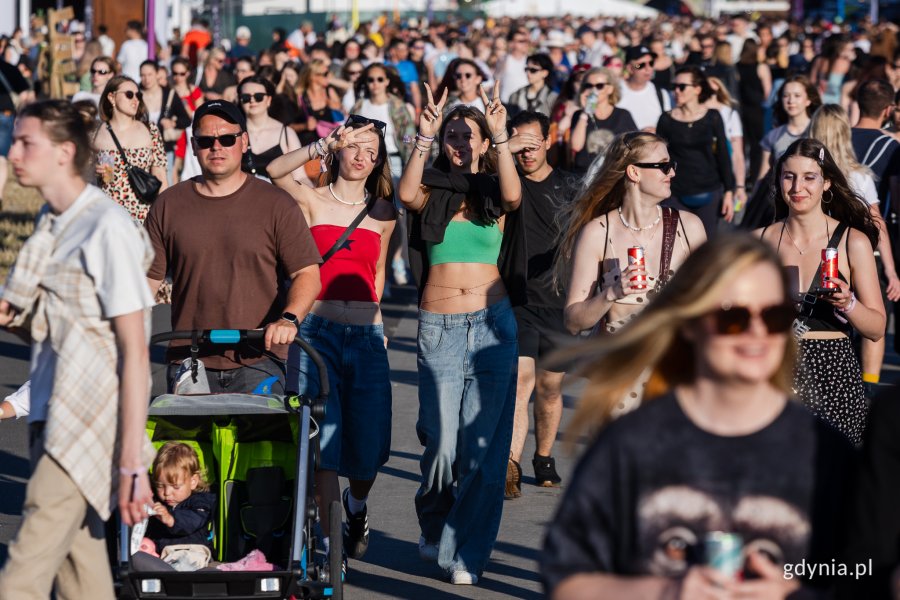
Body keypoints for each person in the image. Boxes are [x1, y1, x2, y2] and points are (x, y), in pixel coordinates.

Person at [541, 234, 854, 600]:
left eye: (775, 316)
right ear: (689, 323)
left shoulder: (823, 450)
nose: (757, 332)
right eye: (733, 317)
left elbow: (861, 572)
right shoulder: (634, 444)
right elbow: (565, 581)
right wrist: (668, 590)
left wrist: (794, 592)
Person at [0, 99, 156, 598]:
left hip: (84, 423)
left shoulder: (106, 226)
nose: (14, 152)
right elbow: (54, 332)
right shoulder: (51, 223)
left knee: (20, 578)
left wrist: (133, 462)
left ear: (65, 151)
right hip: (49, 411)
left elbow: (135, 352)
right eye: (14, 140)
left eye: (27, 142)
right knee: (83, 581)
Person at [398, 83, 521, 585]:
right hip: (440, 326)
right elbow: (406, 194)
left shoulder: (492, 190)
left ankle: (466, 553)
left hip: (493, 326)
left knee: (481, 451)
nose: (460, 142)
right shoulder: (430, 183)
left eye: (467, 135)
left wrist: (500, 134)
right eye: (452, 134)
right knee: (443, 443)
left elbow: (513, 195)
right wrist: (423, 137)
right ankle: (433, 519)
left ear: (483, 142)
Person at [268, 118, 396, 576]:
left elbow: (377, 273)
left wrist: (378, 324)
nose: (362, 155)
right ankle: (328, 547)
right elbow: (276, 170)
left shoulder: (384, 212)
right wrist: (321, 142)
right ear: (339, 150)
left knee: (370, 448)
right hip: (316, 332)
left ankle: (355, 505)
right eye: (354, 146)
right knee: (322, 443)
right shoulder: (310, 198)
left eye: (372, 149)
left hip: (365, 337)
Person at [144, 100, 322, 394]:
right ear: (193, 146)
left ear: (244, 141)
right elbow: (147, 280)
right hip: (189, 359)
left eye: (227, 139)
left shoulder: (276, 203)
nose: (217, 147)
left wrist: (288, 319)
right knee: (188, 442)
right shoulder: (168, 204)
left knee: (264, 442)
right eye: (206, 141)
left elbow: (307, 273)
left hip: (259, 358)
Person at [557, 131, 704, 406]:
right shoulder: (598, 233)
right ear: (634, 173)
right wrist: (610, 293)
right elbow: (573, 321)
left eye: (671, 165)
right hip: (619, 381)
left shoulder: (689, 227)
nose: (671, 172)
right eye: (662, 165)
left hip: (676, 375)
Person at [756, 138, 884, 446]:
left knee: (834, 484)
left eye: (809, 177)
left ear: (826, 183)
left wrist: (849, 303)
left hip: (834, 373)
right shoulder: (760, 240)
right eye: (789, 176)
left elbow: (877, 328)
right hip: (775, 371)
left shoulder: (852, 241)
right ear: (779, 181)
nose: (798, 186)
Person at [501, 110, 578, 499]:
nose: (526, 152)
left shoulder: (570, 186)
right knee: (520, 382)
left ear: (547, 142)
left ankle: (542, 457)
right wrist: (503, 148)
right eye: (519, 144)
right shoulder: (505, 181)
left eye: (533, 143)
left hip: (561, 301)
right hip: (517, 298)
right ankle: (509, 466)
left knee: (550, 387)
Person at [810, 104, 900, 394]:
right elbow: (877, 224)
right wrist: (890, 270)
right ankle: (868, 388)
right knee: (871, 325)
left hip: (817, 257)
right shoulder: (858, 175)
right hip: (857, 258)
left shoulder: (805, 172)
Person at [351, 63, 417, 285]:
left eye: (380, 79)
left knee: (393, 216)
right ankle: (372, 269)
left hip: (394, 162)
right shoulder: (360, 104)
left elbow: (409, 136)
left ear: (387, 81)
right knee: (365, 215)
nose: (375, 84)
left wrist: (413, 161)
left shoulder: (397, 106)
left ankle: (393, 260)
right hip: (365, 162)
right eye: (371, 80)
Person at [657, 66, 735, 237]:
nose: (677, 91)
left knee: (706, 248)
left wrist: (729, 191)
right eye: (674, 87)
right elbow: (660, 159)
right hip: (676, 191)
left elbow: (723, 154)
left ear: (697, 89)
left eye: (682, 87)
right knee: (676, 245)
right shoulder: (666, 119)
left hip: (709, 189)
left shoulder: (712, 116)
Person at [93, 76, 169, 223]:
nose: (135, 99)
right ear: (111, 97)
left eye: (138, 95)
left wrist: (164, 214)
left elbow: (160, 174)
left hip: (143, 216)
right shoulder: (96, 132)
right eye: (129, 94)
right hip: (108, 216)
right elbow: (82, 175)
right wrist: (94, 169)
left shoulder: (150, 129)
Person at [144, 442, 215, 555]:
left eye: (175, 487)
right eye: (160, 486)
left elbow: (192, 521)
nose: (167, 493)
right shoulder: (157, 502)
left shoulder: (201, 502)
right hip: (161, 555)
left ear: (193, 482)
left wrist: (171, 519)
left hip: (193, 553)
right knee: (144, 547)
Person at [568, 67, 637, 176]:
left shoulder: (623, 115)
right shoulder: (579, 115)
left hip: (611, 176)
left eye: (599, 86)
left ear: (610, 89)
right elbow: (576, 146)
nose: (593, 90)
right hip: (583, 176)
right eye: (588, 86)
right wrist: (585, 112)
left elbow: (634, 148)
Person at [238, 75, 303, 181]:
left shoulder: (287, 133)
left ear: (268, 100)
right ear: (240, 101)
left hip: (279, 196)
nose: (252, 100)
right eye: (246, 97)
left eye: (259, 96)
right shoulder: (234, 133)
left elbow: (300, 176)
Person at [140, 60, 191, 181]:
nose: (146, 79)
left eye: (150, 74)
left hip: (165, 149)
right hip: (141, 149)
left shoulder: (169, 94)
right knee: (142, 187)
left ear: (157, 74)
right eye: (142, 75)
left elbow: (186, 120)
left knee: (165, 186)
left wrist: (172, 123)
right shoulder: (136, 95)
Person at [706, 76, 748, 213]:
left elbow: (737, 154)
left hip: (724, 177)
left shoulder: (729, 114)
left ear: (717, 85)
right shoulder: (690, 113)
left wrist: (740, 187)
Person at [736, 39, 771, 185]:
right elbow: (767, 91)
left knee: (742, 145)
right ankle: (755, 176)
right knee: (757, 145)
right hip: (756, 109)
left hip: (741, 108)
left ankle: (742, 176)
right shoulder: (761, 67)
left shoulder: (737, 66)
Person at [616, 45, 670, 133]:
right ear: (629, 68)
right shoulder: (615, 91)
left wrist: (657, 130)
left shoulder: (661, 93)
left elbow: (668, 125)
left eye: (651, 63)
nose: (648, 68)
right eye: (640, 65)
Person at [507, 53, 558, 118]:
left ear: (545, 73)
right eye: (526, 69)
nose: (528, 73)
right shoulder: (515, 95)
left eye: (533, 70)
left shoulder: (553, 98)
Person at [0, 55, 32, 156]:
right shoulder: (10, 68)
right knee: (2, 156)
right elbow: (24, 95)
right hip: (5, 115)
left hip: (5, 116)